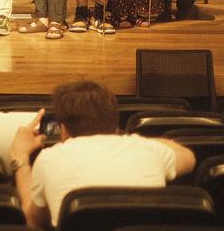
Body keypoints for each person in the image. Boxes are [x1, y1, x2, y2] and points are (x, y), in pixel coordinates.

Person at [10, 80, 196, 229]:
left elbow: (32, 221)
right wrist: (138, 141)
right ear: (115, 126)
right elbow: (188, 157)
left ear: (63, 130)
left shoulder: (49, 159)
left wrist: (20, 157)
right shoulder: (150, 151)